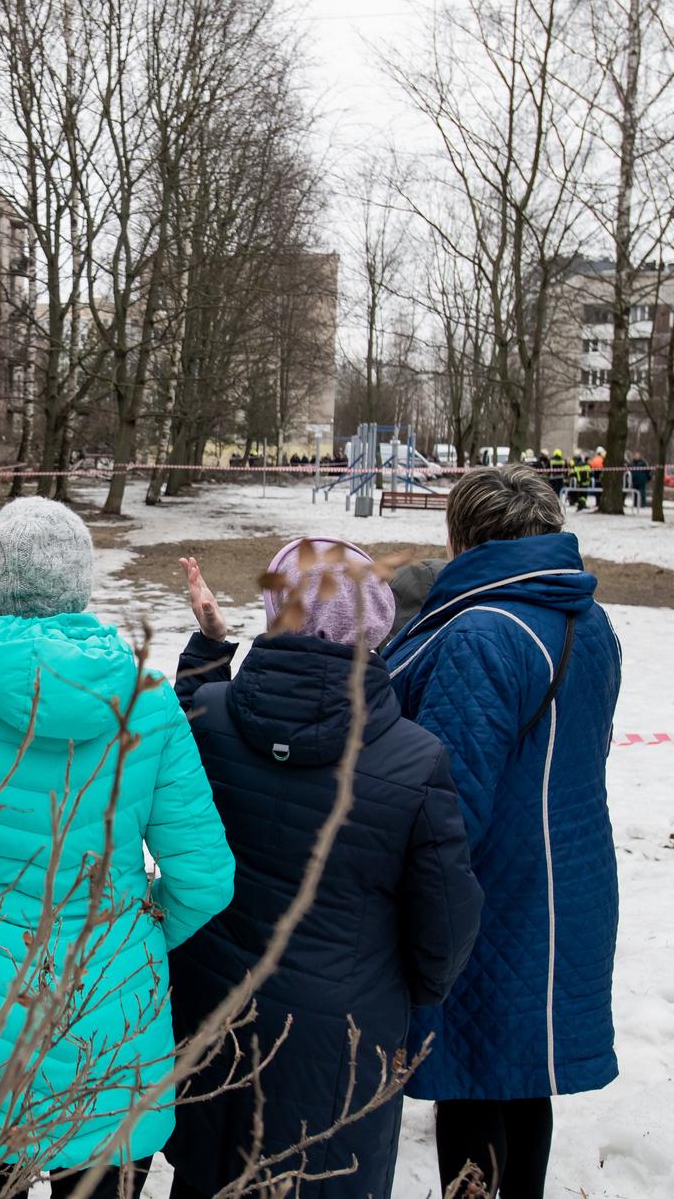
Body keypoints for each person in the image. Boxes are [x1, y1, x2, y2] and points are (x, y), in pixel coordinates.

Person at [0, 497, 234, 1198]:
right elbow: (205, 875)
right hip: (111, 1007)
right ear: (83, 582)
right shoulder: (149, 700)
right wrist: (144, 924)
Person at [163, 542, 481, 1199]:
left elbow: (192, 721)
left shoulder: (210, 719)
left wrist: (209, 644)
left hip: (212, 1011)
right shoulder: (416, 760)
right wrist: (405, 992)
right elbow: (444, 927)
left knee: (208, 1177)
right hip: (341, 1039)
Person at [381, 465, 623, 1199]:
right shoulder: (587, 617)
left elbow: (449, 799)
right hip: (567, 881)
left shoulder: (483, 631)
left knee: (477, 1079)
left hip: (495, 898)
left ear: (462, 536)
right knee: (522, 1078)